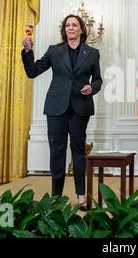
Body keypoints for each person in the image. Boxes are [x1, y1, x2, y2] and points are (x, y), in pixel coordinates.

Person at [21, 15, 102, 210]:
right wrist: (27, 50)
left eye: (74, 25)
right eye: (67, 25)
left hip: (80, 107)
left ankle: (81, 196)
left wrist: (92, 87)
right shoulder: (54, 51)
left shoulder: (92, 53)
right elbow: (32, 71)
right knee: (57, 152)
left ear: (82, 29)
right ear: (64, 30)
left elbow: (98, 79)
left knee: (78, 152)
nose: (71, 28)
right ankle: (56, 197)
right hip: (56, 108)